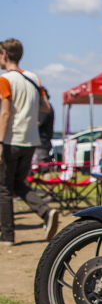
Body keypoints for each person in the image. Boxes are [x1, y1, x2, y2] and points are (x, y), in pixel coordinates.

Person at [0, 38, 58, 245]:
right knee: (18, 183)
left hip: (10, 139)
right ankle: (46, 211)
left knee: (4, 188)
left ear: (5, 55)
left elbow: (5, 113)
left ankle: (7, 235)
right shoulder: (33, 78)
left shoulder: (5, 80)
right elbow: (46, 107)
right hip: (30, 140)